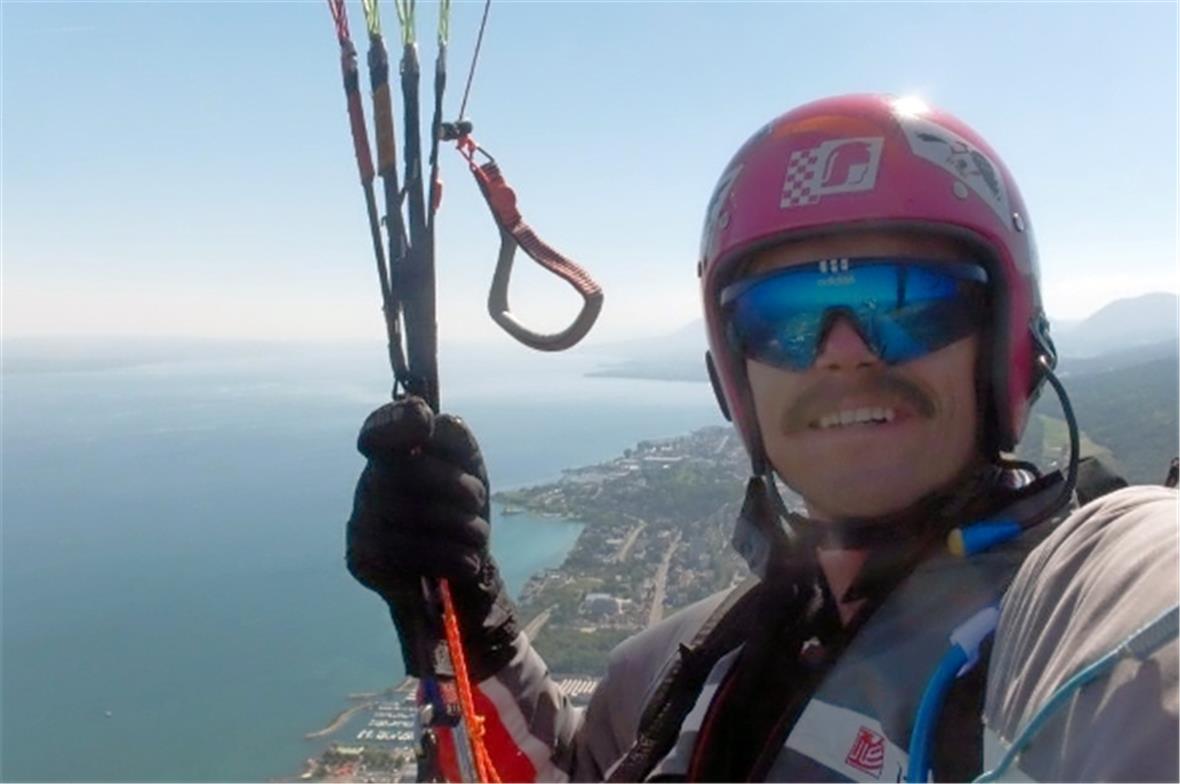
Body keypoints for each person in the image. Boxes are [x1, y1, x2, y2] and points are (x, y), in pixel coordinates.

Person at [345, 94, 1179, 782]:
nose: (846, 353)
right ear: (735, 379)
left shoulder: (1076, 605)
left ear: (1006, 349)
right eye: (787, 319)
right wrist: (469, 622)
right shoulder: (672, 672)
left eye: (906, 299)